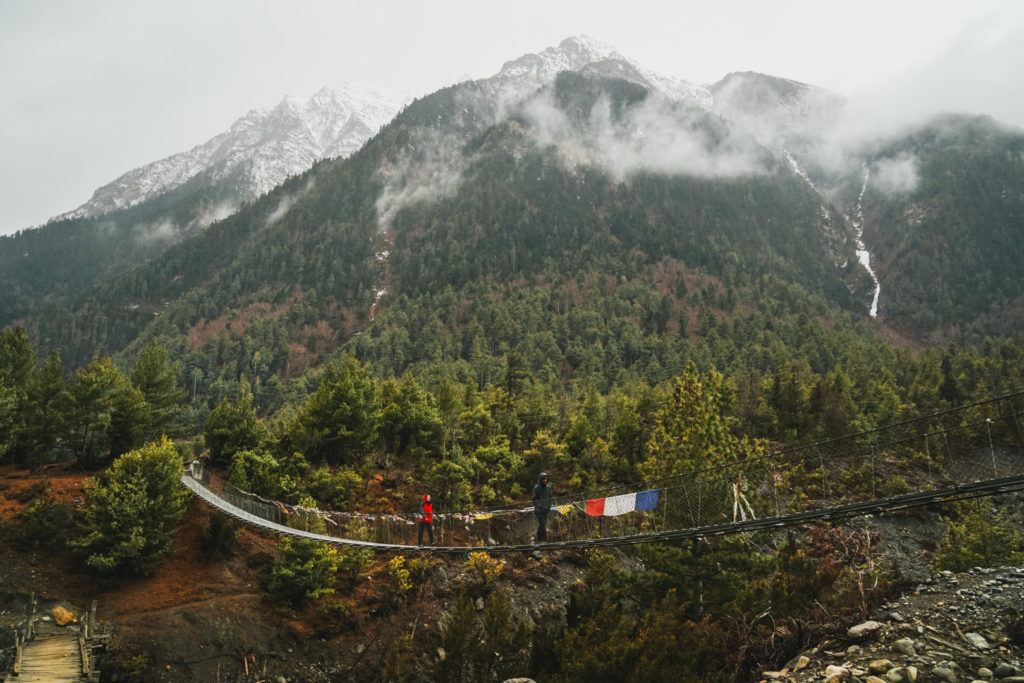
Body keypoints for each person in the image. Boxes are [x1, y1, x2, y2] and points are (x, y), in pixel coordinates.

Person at [532, 472, 552, 543]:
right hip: (538, 510)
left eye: (546, 479)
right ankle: (544, 540)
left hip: (546, 509)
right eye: (543, 479)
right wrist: (540, 506)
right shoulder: (536, 488)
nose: (545, 480)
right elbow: (534, 499)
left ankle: (537, 539)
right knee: (543, 524)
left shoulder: (548, 487)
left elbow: (550, 497)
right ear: (540, 479)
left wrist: (549, 507)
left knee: (542, 524)